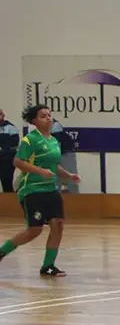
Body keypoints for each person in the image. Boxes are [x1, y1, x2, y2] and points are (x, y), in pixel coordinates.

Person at [0, 105, 80, 276]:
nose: (48, 118)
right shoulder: (30, 140)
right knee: (34, 231)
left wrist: (68, 175)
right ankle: (2, 251)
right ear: (34, 121)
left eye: (50, 115)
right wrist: (40, 171)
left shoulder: (53, 141)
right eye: (43, 116)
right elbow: (18, 162)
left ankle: (48, 266)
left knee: (58, 224)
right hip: (32, 190)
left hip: (51, 189)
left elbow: (54, 165)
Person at [0, 109, 18, 193]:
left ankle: (9, 204)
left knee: (6, 183)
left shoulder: (11, 128)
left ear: (3, 115)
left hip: (6, 161)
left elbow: (14, 145)